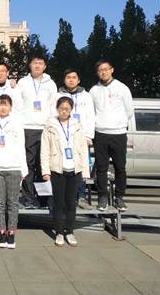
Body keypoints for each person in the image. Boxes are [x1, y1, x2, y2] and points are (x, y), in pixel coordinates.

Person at [41, 97, 91, 247]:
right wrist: (45, 170)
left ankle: (69, 231)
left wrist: (85, 170)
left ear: (71, 110)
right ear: (57, 109)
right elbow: (45, 149)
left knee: (71, 203)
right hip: (57, 169)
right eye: (61, 108)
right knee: (58, 203)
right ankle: (59, 232)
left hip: (74, 169)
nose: (64, 111)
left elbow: (83, 149)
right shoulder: (50, 126)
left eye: (67, 109)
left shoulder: (77, 125)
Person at [90, 59, 133, 212]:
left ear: (112, 70)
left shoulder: (122, 88)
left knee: (120, 167)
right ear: (97, 73)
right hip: (100, 133)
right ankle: (102, 197)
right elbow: (91, 111)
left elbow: (129, 111)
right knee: (101, 168)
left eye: (106, 69)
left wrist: (119, 123)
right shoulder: (93, 90)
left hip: (118, 133)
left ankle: (119, 197)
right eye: (100, 70)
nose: (103, 72)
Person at [0, 94, 27, 249]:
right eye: (0, 104)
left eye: (6, 104)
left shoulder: (17, 122)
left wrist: (23, 168)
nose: (3, 107)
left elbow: (21, 145)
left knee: (13, 202)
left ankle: (11, 232)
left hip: (14, 167)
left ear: (11, 107)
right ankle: (1, 231)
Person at [17, 55, 58, 209]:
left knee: (44, 165)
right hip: (27, 128)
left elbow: (54, 106)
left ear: (45, 66)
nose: (37, 66)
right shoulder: (22, 82)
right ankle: (28, 198)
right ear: (30, 65)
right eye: (35, 63)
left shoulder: (51, 84)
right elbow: (17, 105)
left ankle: (43, 199)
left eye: (40, 63)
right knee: (28, 164)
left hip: (45, 128)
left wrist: (51, 125)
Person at [57, 68, 95, 210]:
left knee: (81, 168)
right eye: (68, 77)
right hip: (64, 137)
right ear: (64, 80)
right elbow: (54, 114)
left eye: (74, 77)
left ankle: (81, 197)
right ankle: (66, 198)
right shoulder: (58, 95)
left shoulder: (87, 96)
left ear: (78, 80)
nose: (71, 80)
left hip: (81, 138)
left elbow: (91, 117)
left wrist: (88, 136)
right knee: (64, 168)